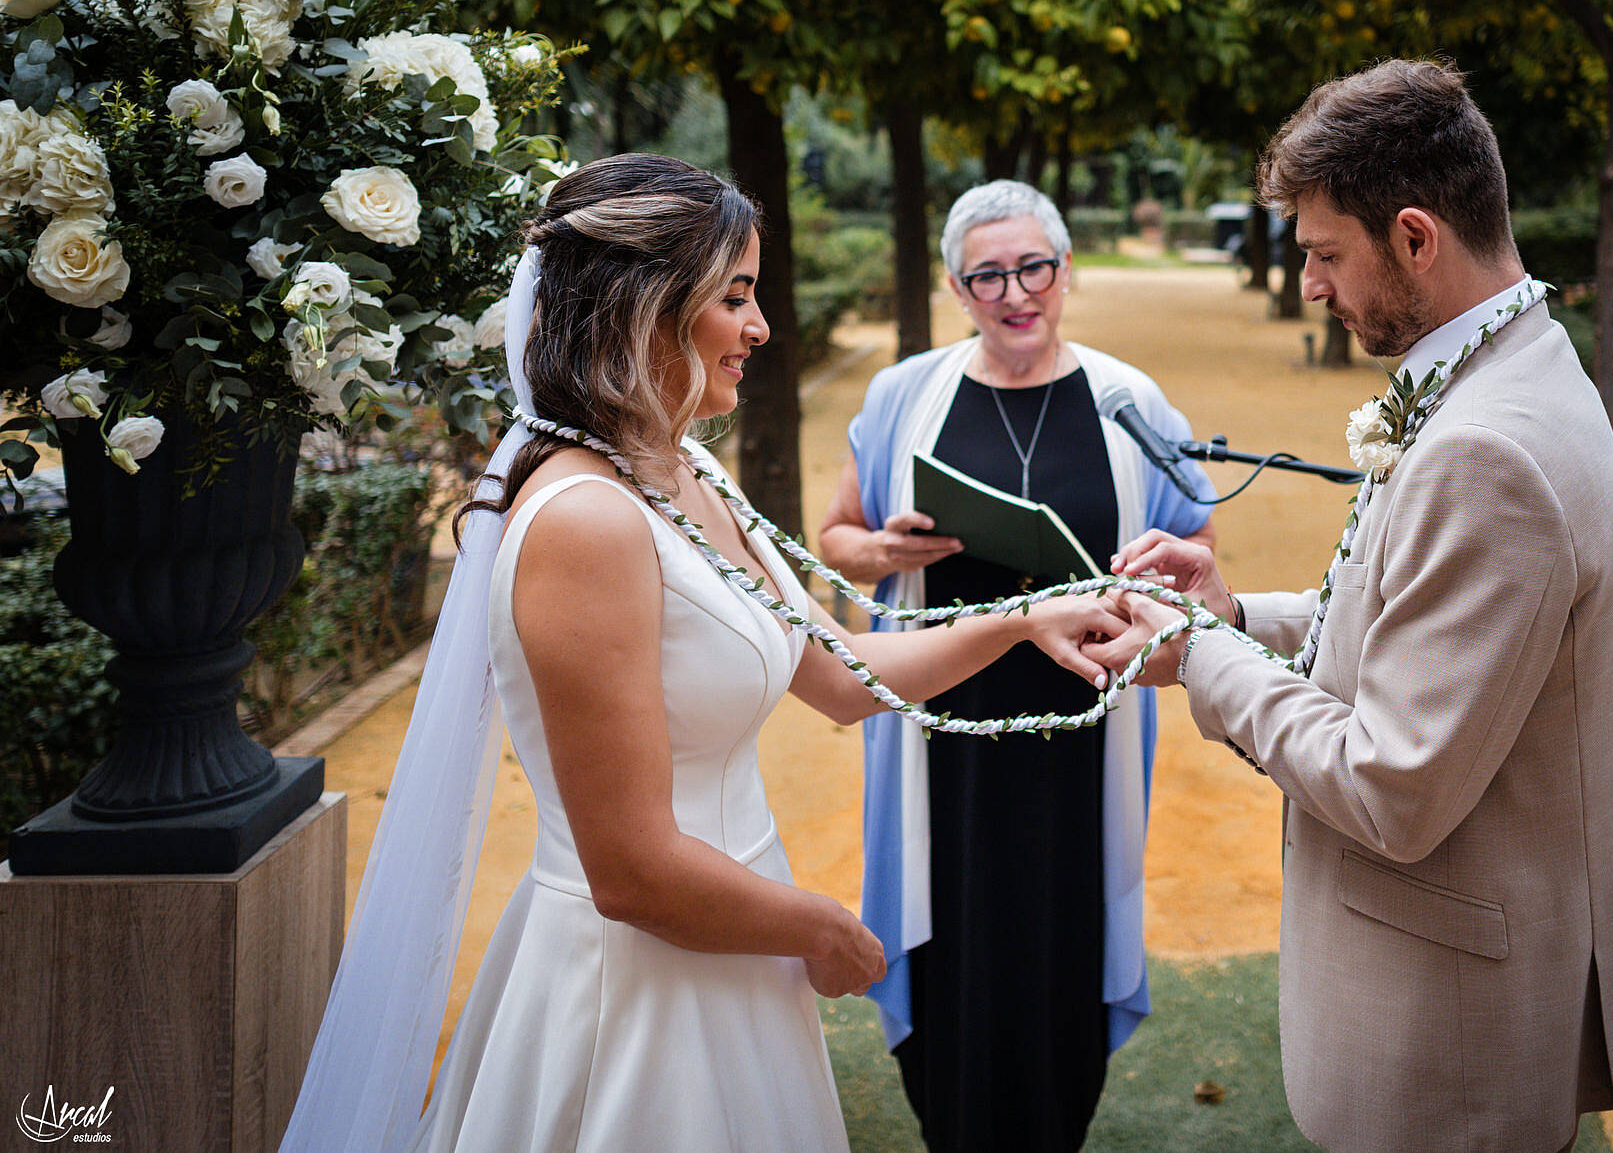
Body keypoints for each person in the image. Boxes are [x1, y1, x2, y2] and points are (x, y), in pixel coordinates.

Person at [281, 156, 1123, 1153]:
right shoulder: (586, 522)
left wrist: (1023, 621)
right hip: (640, 984)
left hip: (734, 944)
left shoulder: (684, 469)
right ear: (644, 308)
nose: (761, 328)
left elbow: (841, 679)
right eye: (734, 296)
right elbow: (631, 870)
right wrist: (816, 925)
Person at [1089, 60, 1613, 1152]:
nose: (1307, 284)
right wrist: (1236, 615)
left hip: (1440, 1033)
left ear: (1412, 237)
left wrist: (1201, 661)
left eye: (1321, 254)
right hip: (1474, 975)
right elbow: (1426, 626)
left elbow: (1390, 785)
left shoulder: (1485, 449)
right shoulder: (1522, 369)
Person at [817, 179, 1215, 1151]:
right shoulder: (904, 395)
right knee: (950, 937)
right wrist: (883, 551)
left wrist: (1151, 598)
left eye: (1032, 266)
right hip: (942, 733)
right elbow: (835, 537)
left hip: (1083, 731)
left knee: (1059, 941)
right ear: (958, 288)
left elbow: (1198, 557)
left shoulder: (1131, 401)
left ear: (1065, 270)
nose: (1013, 292)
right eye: (986, 275)